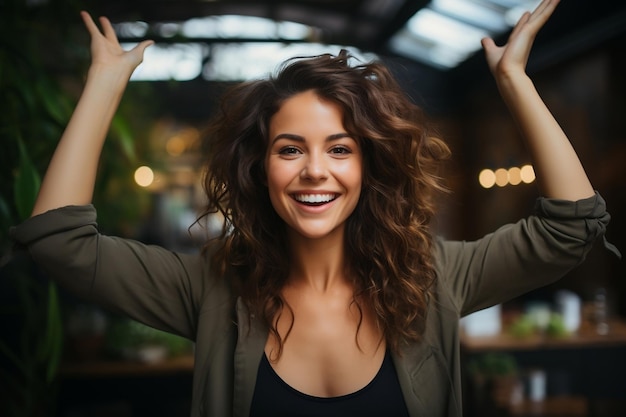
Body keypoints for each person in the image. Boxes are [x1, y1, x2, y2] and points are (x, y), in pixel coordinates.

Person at [9, 0, 613, 416]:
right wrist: (104, 86)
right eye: (290, 148)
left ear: (367, 167)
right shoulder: (211, 286)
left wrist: (514, 81)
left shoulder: (434, 279)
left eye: (340, 149)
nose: (315, 170)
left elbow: (570, 228)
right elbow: (59, 243)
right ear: (261, 167)